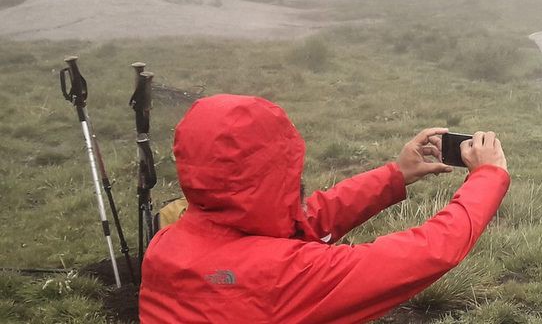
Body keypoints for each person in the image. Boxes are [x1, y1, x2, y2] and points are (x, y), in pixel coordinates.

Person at [140, 95, 510, 322]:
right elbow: (429, 251)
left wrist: (395, 176)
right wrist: (488, 176)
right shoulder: (283, 276)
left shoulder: (166, 244)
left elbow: (301, 223)